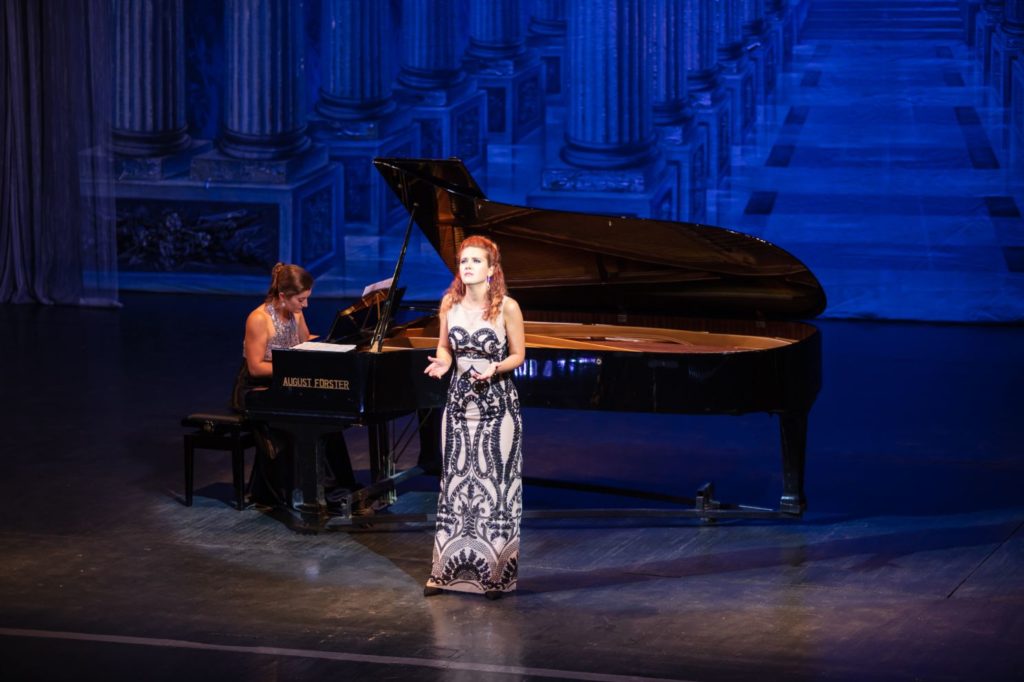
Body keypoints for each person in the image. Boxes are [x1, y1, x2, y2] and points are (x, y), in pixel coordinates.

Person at [422, 236, 526, 599]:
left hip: (498, 407)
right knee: (454, 487)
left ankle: (495, 575)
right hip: (458, 406)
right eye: (463, 261)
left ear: (492, 269)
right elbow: (444, 347)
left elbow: (519, 355)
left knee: (496, 489)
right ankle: (445, 573)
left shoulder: (507, 307)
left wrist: (496, 367)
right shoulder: (449, 303)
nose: (467, 266)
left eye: (476, 261)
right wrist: (443, 362)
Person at [231, 262, 358, 508]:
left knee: (328, 412)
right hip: (256, 387)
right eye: (301, 299)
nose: (305, 305)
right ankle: (299, 490)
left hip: (287, 382)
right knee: (306, 415)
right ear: (282, 296)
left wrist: (328, 345)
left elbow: (303, 342)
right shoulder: (258, 319)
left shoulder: (295, 312)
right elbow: (256, 367)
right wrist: (292, 367)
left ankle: (336, 486)